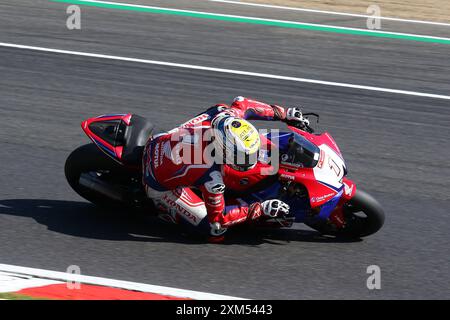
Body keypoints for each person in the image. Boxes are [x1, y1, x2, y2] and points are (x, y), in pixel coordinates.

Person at [142, 96, 309, 241]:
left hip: (161, 140)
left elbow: (244, 103)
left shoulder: (225, 117)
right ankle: (164, 209)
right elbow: (219, 218)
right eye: (245, 157)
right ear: (224, 151)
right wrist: (260, 208)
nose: (252, 159)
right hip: (155, 180)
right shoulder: (212, 177)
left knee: (218, 109)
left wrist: (285, 114)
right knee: (214, 230)